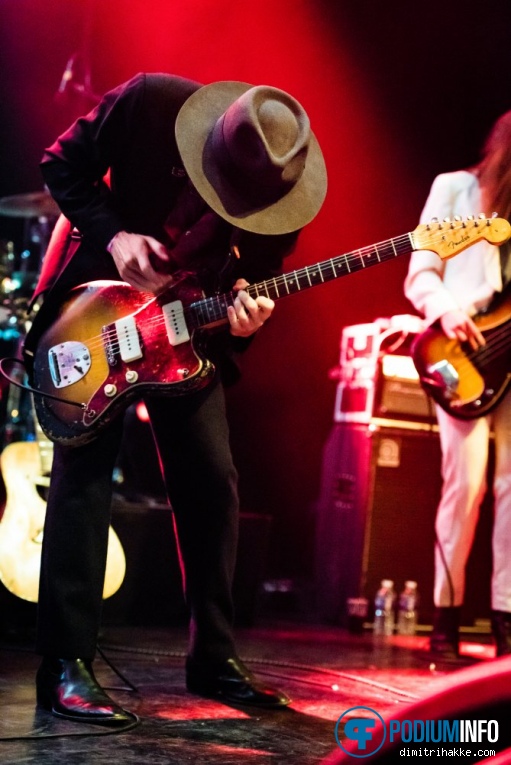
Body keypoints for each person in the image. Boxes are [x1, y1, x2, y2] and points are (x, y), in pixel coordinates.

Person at [25, 72, 327, 724]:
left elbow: (259, 276)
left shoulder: (283, 193)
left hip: (186, 337)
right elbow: (61, 163)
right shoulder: (148, 102)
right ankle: (65, 665)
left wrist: (248, 313)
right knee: (83, 475)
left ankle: (213, 659)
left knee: (214, 481)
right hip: (99, 315)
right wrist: (114, 234)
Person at [404, 110, 511, 661]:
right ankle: (445, 617)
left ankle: (505, 620)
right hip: (462, 353)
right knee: (464, 487)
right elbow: (419, 271)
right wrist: (445, 311)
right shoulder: (454, 190)